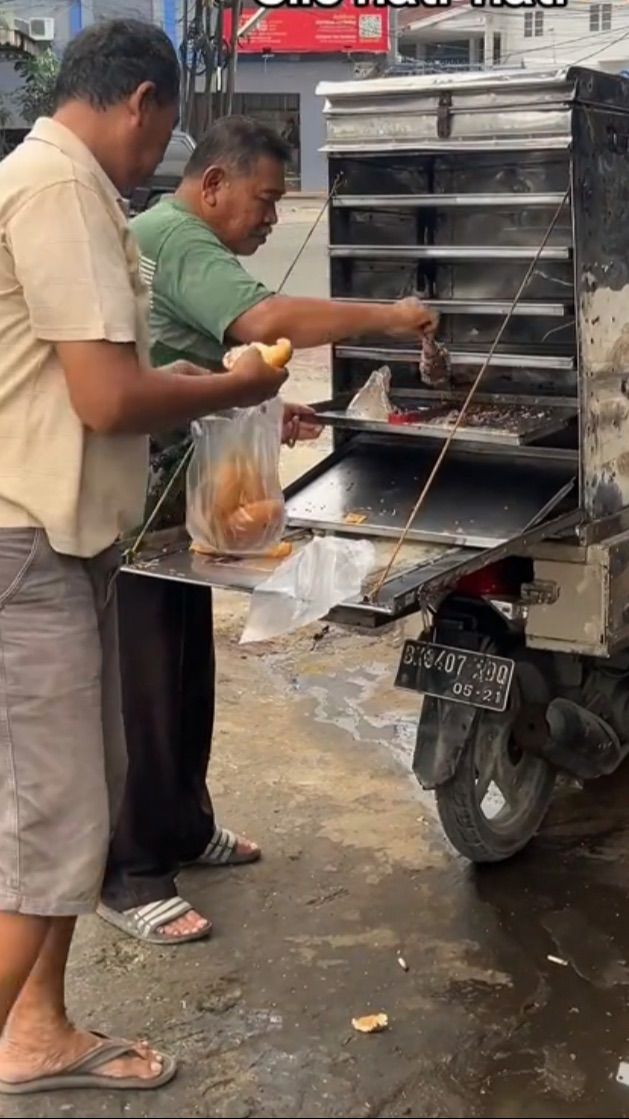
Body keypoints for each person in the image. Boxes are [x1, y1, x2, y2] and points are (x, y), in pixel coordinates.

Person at [0, 22, 288, 1096]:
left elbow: (107, 368)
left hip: (66, 538)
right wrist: (236, 387)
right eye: (163, 129)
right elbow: (109, 397)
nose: (160, 153)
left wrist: (209, 381)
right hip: (25, 541)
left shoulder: (70, 188)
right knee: (51, 825)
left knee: (69, 817)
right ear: (141, 102)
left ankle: (38, 1034)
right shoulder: (59, 189)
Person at [98, 115, 437, 946]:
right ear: (212, 184)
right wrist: (392, 317)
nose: (272, 218)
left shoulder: (162, 233)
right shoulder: (178, 237)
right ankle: (131, 869)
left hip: (176, 503)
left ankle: (183, 824)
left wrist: (259, 402)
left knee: (182, 672)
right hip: (133, 508)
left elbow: (180, 351)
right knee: (139, 690)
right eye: (264, 199)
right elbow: (263, 321)